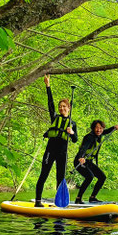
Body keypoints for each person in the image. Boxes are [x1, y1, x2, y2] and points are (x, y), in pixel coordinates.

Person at [34, 75, 78, 207]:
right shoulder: (54, 117)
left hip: (62, 153)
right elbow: (50, 103)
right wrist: (48, 86)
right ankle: (38, 202)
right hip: (50, 151)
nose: (61, 108)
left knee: (60, 178)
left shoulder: (72, 123)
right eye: (60, 106)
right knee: (44, 175)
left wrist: (72, 132)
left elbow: (75, 140)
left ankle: (59, 203)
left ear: (68, 108)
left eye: (64, 106)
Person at [73, 120, 118, 204]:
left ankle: (92, 197)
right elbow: (83, 148)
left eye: (100, 128)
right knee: (89, 177)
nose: (99, 130)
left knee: (102, 177)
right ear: (93, 128)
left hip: (89, 162)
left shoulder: (100, 134)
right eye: (96, 128)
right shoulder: (89, 137)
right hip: (80, 161)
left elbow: (105, 132)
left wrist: (114, 128)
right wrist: (81, 157)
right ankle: (78, 198)